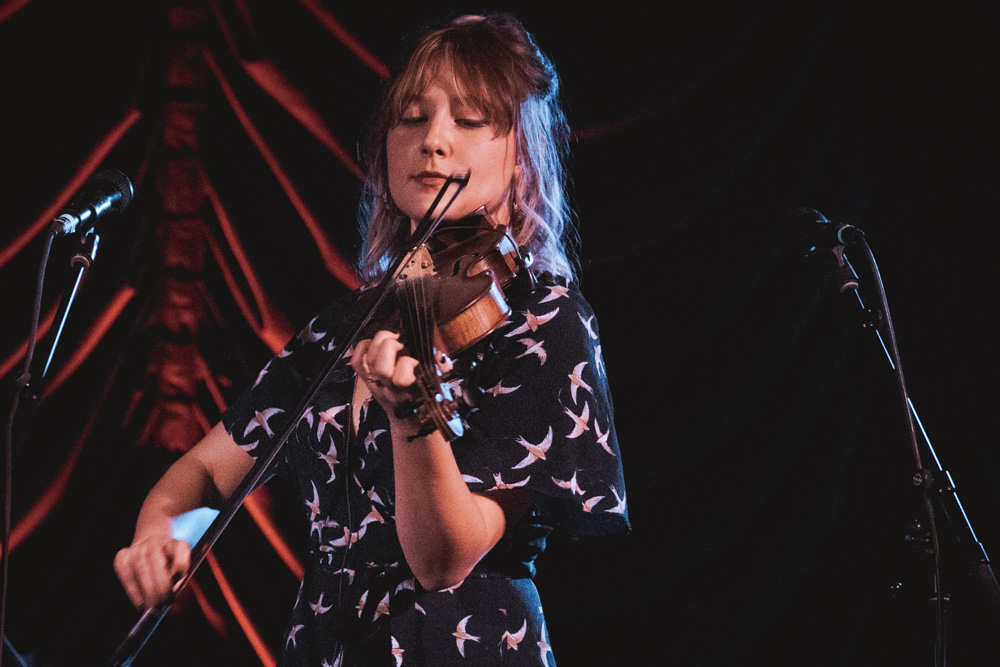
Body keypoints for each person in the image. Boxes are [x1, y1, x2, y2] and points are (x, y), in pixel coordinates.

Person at [114, 12, 628, 666]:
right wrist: (159, 529)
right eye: (411, 117)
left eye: (469, 121)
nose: (434, 140)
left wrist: (411, 411)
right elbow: (207, 473)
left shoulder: (541, 316)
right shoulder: (342, 325)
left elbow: (443, 559)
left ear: (520, 154)